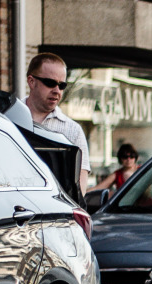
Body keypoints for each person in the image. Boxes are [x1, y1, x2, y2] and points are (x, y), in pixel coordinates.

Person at [24, 53, 90, 189]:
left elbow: (80, 182)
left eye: (62, 85)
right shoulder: (7, 120)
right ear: (31, 81)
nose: (57, 91)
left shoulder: (73, 130)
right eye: (50, 83)